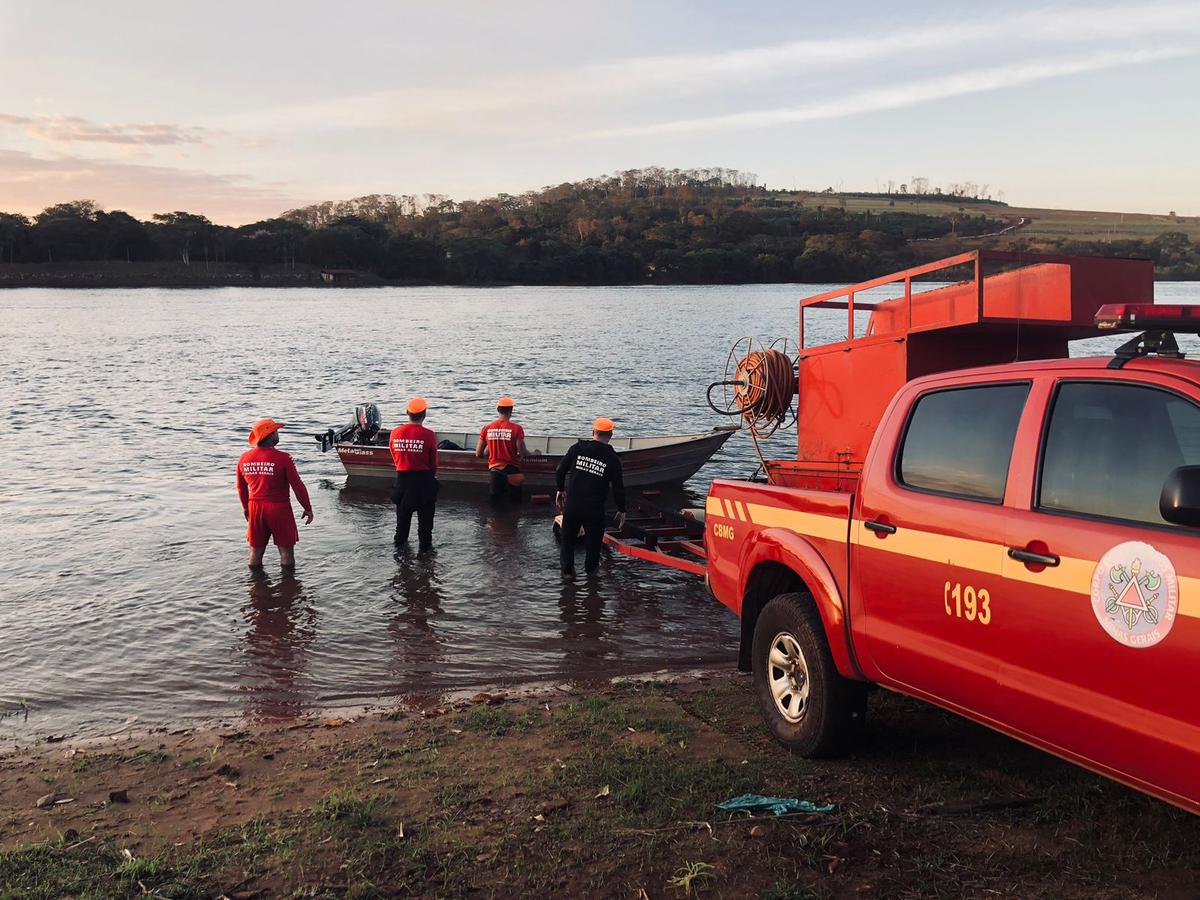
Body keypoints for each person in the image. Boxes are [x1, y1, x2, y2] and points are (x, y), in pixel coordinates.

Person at [236, 418, 314, 570]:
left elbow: (241, 487)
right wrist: (307, 507)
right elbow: (297, 486)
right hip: (279, 508)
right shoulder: (283, 458)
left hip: (255, 508)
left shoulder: (244, 458)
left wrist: (246, 509)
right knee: (286, 552)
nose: (278, 434)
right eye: (276, 431)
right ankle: (289, 588)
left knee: (255, 551)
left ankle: (255, 587)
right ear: (270, 435)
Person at [555, 417, 627, 579]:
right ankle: (591, 582)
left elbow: (560, 470)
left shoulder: (576, 449)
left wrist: (560, 489)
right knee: (593, 547)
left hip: (573, 506)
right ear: (610, 435)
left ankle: (567, 578)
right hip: (594, 510)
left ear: (593, 432)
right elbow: (618, 488)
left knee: (567, 543)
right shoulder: (613, 459)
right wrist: (621, 509)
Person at [390, 397, 439, 553]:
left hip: (402, 482)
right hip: (424, 482)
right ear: (424, 414)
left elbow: (394, 456)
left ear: (407, 413)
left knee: (401, 528)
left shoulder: (395, 433)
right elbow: (434, 463)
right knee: (425, 531)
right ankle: (425, 562)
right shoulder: (429, 435)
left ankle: (400, 564)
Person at [475, 396, 536, 502]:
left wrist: (492, 447)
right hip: (512, 472)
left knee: (495, 509)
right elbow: (523, 452)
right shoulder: (517, 429)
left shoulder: (487, 428)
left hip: (495, 473)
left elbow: (479, 454)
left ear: (498, 410)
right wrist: (535, 453)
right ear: (511, 411)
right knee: (515, 505)